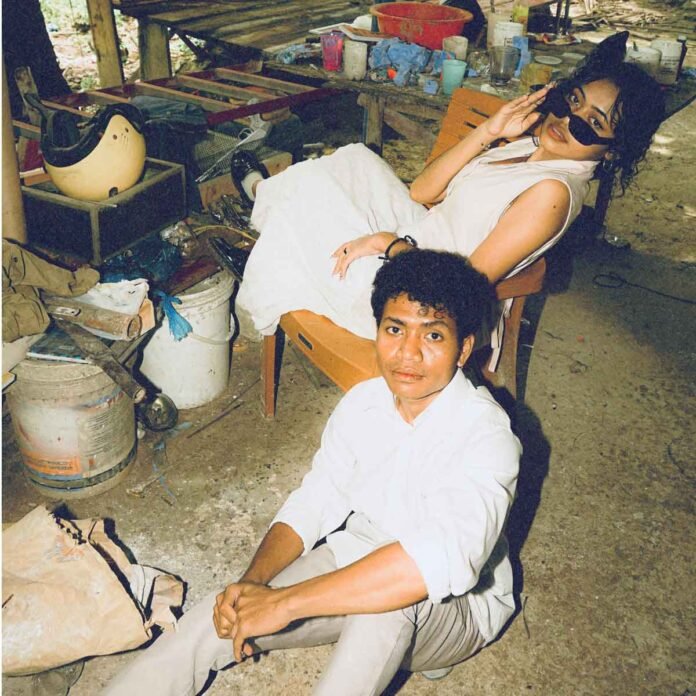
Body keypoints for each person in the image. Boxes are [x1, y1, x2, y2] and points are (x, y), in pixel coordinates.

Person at [103, 249, 521, 695]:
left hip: (458, 608)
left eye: (433, 335)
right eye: (395, 329)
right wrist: (253, 586)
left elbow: (430, 563)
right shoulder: (363, 404)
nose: (408, 352)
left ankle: (408, 652)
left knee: (387, 606)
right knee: (220, 615)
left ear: (464, 349)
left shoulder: (487, 435)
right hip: (357, 556)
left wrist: (285, 604)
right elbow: (315, 501)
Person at [231, 40, 664, 342]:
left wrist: (387, 245)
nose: (569, 120)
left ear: (612, 151)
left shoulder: (553, 193)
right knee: (354, 161)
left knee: (310, 197)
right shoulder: (534, 144)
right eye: (574, 102)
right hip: (421, 235)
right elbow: (422, 191)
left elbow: (458, 290)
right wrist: (490, 131)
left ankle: (264, 205)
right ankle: (270, 211)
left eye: (593, 123)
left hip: (418, 299)